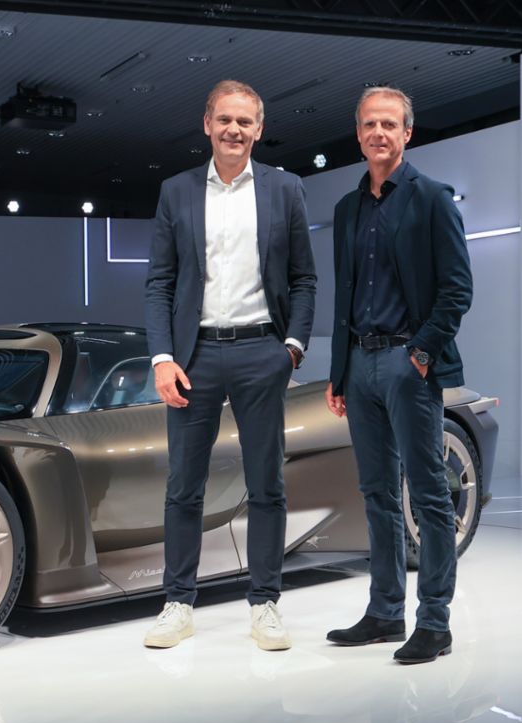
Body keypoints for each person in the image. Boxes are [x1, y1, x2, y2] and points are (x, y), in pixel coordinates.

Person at [142, 79, 316, 651]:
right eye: (225, 120)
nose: (234, 130)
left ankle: (265, 604)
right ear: (207, 124)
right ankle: (177, 603)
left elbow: (304, 278)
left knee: (267, 484)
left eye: (244, 121)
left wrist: (292, 349)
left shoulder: (285, 189)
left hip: (261, 352)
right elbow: (160, 282)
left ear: (259, 129)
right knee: (183, 487)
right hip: (193, 358)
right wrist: (163, 357)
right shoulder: (177, 191)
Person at [323, 86, 473, 665]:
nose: (378, 133)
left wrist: (422, 353)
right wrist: (339, 371)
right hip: (359, 364)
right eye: (369, 124)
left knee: (429, 494)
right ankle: (385, 611)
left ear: (407, 133)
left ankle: (434, 622)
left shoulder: (432, 198)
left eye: (389, 124)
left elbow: (457, 290)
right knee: (377, 493)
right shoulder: (347, 208)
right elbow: (345, 297)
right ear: (358, 134)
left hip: (409, 363)